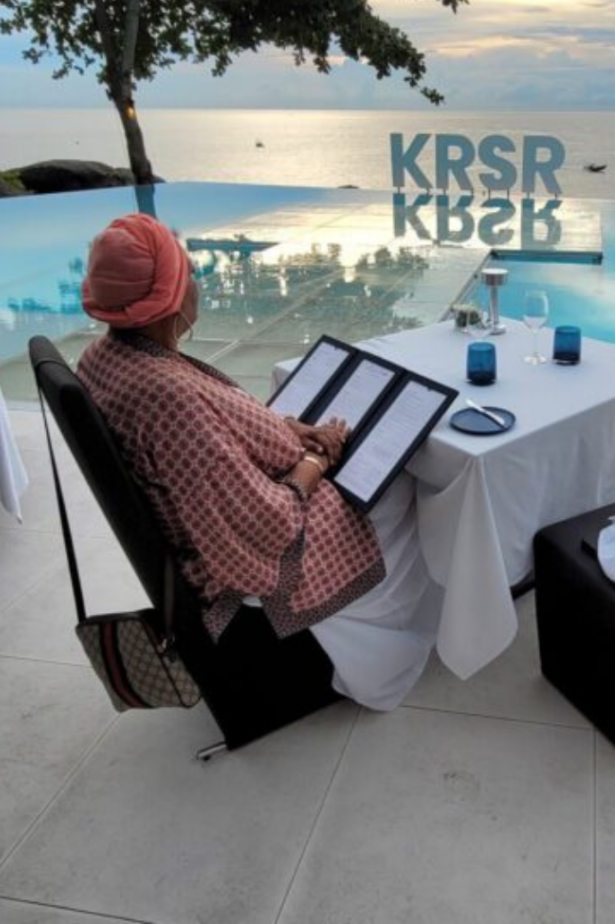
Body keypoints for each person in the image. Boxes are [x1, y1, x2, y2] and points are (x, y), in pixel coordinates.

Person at [77, 213, 441, 709]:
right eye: (187, 272)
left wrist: (287, 430)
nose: (195, 283)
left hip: (204, 513)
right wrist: (314, 460)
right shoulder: (169, 398)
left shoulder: (109, 355)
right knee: (396, 486)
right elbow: (267, 523)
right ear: (169, 298)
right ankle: (386, 646)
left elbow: (213, 431)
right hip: (238, 550)